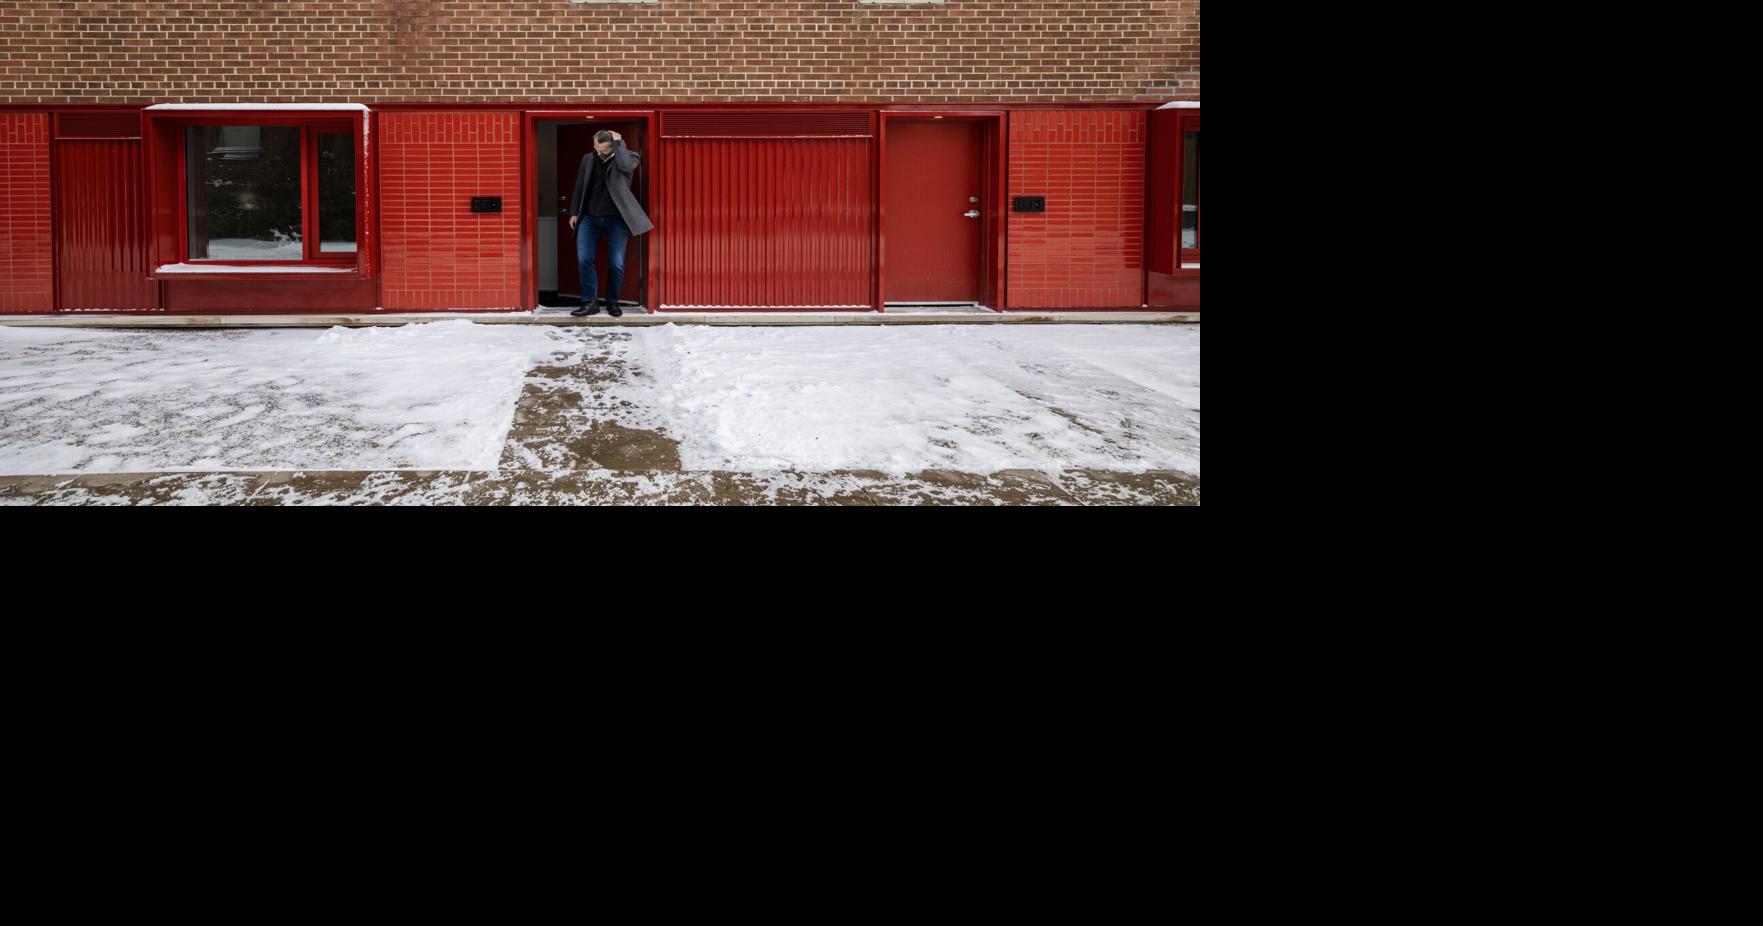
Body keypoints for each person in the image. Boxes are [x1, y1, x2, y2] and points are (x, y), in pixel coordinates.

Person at [568, 130, 654, 317]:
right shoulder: (588, 159)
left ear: (614, 146)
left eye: (603, 150)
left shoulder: (630, 156)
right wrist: (574, 212)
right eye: (595, 148)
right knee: (584, 259)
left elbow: (625, 167)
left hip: (617, 219)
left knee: (616, 263)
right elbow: (580, 186)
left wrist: (619, 142)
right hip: (589, 218)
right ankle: (589, 302)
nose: (598, 153)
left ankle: (613, 301)